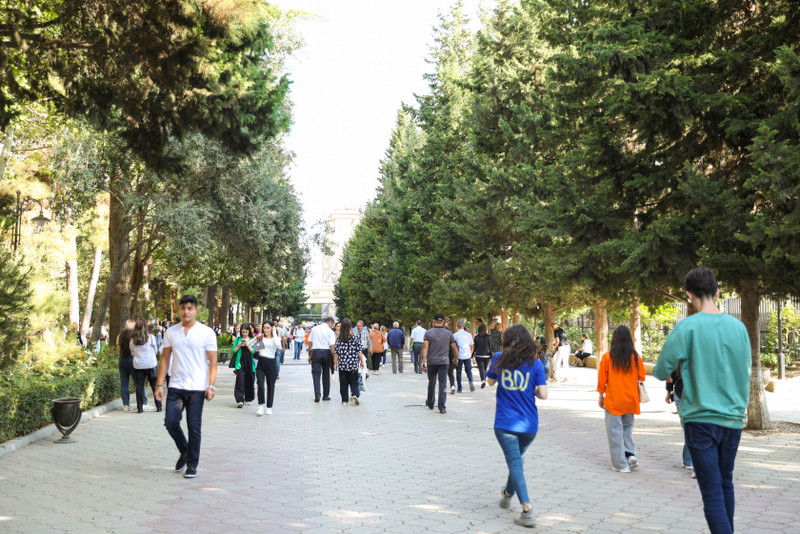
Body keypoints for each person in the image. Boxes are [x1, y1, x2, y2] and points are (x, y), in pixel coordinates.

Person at [654, 267, 750, 534]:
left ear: (688, 295)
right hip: (732, 419)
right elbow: (746, 372)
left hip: (699, 420)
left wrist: (683, 361)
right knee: (725, 484)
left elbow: (661, 370)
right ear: (717, 291)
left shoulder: (687, 327)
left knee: (712, 494)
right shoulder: (738, 328)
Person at [486, 324, 548, 528]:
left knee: (515, 463)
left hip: (505, 423)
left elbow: (490, 382)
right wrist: (533, 391)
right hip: (529, 425)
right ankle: (506, 494)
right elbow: (544, 394)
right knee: (517, 462)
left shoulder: (498, 358)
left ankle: (527, 510)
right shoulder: (535, 363)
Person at [155, 294, 218, 479]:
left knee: (194, 426)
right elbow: (165, 358)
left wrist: (211, 385)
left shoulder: (206, 332)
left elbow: (213, 361)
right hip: (176, 384)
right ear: (179, 310)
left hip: (198, 387)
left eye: (190, 308)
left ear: (196, 310)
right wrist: (159, 384)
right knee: (170, 422)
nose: (186, 311)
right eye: (183, 308)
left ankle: (192, 465)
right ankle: (185, 450)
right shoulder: (171, 332)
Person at [597, 325, 646, 473]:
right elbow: (641, 377)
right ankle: (630, 454)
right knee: (627, 428)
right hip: (631, 399)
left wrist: (600, 396)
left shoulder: (607, 357)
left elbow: (602, 380)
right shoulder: (636, 357)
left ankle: (620, 464)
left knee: (614, 431)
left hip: (613, 400)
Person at [421, 314, 458, 414]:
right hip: (444, 362)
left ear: (433, 321)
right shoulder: (448, 333)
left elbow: (425, 348)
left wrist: (423, 362)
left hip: (432, 362)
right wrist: (456, 358)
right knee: (443, 383)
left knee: (431, 382)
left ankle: (430, 403)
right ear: (443, 322)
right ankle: (442, 407)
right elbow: (454, 348)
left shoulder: (428, 333)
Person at [665, 366, 694, 477]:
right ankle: (688, 460)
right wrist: (668, 393)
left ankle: (689, 460)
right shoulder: (679, 356)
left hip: (696, 397)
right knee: (689, 428)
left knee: (691, 428)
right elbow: (670, 375)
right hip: (680, 394)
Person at [117, 319, 151, 412]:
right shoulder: (133, 337)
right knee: (139, 383)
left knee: (124, 383)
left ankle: (126, 405)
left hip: (121, 360)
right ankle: (144, 403)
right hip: (131, 359)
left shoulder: (119, 336)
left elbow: (118, 348)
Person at [129, 318, 162, 413]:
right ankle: (159, 406)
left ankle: (140, 408)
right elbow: (155, 350)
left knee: (139, 386)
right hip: (151, 364)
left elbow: (132, 353)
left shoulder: (132, 340)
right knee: (154, 386)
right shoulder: (151, 337)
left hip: (138, 365)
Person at [334, 318, 364, 405]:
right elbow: (359, 351)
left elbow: (336, 353)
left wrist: (335, 363)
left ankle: (344, 401)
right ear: (350, 326)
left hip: (343, 364)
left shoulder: (339, 339)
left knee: (343, 383)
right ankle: (355, 394)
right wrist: (362, 361)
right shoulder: (355, 338)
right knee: (354, 381)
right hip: (353, 364)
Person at [254, 323, 281, 416]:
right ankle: (260, 406)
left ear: (271, 328)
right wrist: (256, 339)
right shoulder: (261, 337)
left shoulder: (275, 338)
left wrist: (274, 332)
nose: (266, 330)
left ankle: (269, 407)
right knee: (260, 385)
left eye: (268, 328)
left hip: (271, 363)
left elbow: (278, 345)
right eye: (264, 328)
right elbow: (256, 349)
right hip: (261, 362)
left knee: (271, 386)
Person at [308, 317, 337, 402]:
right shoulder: (330, 332)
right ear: (330, 323)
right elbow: (332, 346)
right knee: (326, 374)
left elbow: (310, 343)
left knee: (316, 374)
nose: (332, 326)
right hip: (326, 353)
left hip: (316, 352)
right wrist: (335, 357)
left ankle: (317, 395)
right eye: (333, 324)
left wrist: (310, 355)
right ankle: (325, 395)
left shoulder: (314, 329)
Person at [231, 324, 256, 408]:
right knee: (240, 380)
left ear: (249, 331)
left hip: (249, 362)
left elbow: (254, 352)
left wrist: (248, 345)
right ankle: (239, 400)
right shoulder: (238, 339)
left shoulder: (253, 340)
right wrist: (239, 345)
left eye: (246, 332)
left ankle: (249, 398)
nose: (244, 334)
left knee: (249, 379)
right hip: (240, 362)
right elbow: (233, 351)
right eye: (243, 332)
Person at [453, 319, 475, 392]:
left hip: (459, 356)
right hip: (467, 355)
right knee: (468, 371)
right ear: (463, 326)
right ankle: (471, 382)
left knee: (458, 372)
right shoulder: (468, 334)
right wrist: (470, 354)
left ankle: (459, 388)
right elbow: (472, 346)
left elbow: (454, 346)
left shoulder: (455, 335)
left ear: (457, 326)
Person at [473, 323, 493, 388]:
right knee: (485, 368)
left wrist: (473, 354)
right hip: (487, 355)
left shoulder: (476, 338)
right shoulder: (489, 337)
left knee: (481, 369)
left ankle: (483, 381)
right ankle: (484, 379)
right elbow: (491, 347)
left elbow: (474, 347)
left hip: (479, 355)